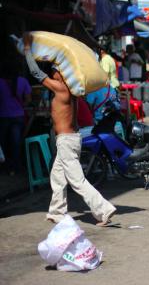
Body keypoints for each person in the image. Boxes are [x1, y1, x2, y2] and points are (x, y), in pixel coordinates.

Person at [23, 33, 116, 226]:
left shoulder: (60, 88)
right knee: (57, 176)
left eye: (56, 71)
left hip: (66, 140)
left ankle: (104, 209)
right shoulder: (72, 90)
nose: (53, 73)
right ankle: (57, 212)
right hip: (71, 138)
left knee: (77, 180)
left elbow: (36, 73)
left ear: (61, 74)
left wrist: (26, 49)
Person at [0, 46, 31, 175]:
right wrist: (21, 106)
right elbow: (28, 99)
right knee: (16, 143)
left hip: (3, 116)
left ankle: (5, 166)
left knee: (3, 143)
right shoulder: (23, 81)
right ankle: (16, 167)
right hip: (18, 116)